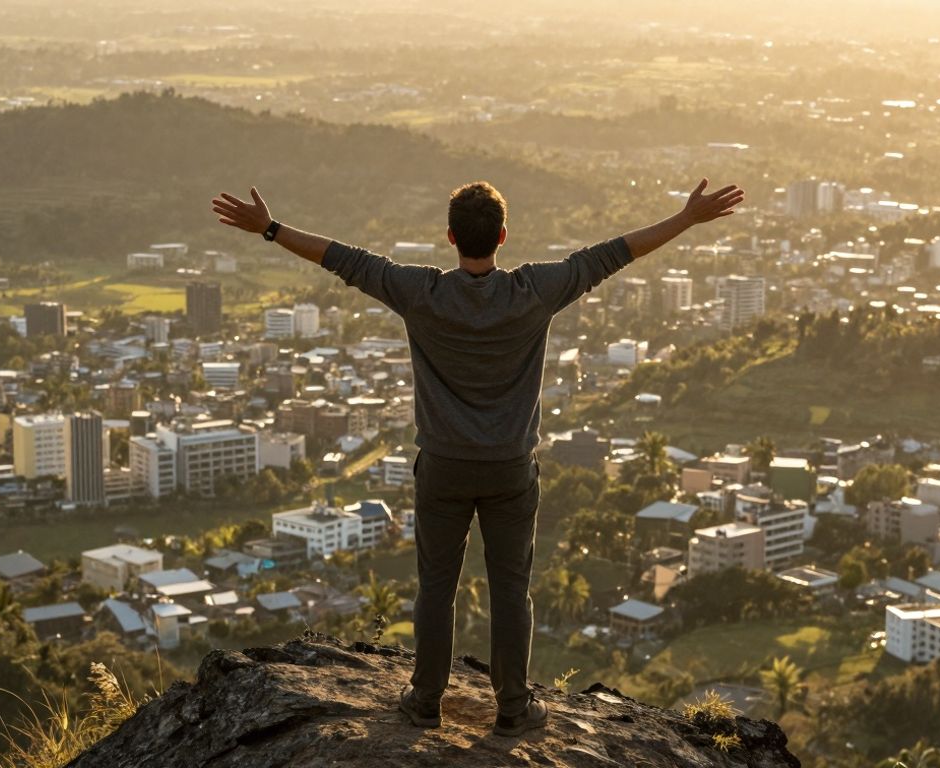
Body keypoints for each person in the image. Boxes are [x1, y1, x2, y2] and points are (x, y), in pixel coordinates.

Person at [211, 178, 744, 737]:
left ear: (449, 237)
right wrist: (685, 219)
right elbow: (616, 252)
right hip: (511, 468)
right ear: (503, 236)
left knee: (435, 587)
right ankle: (513, 707)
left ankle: (423, 701)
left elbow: (344, 259)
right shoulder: (535, 290)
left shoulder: (421, 292)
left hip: (442, 465)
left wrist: (270, 229)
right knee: (512, 588)